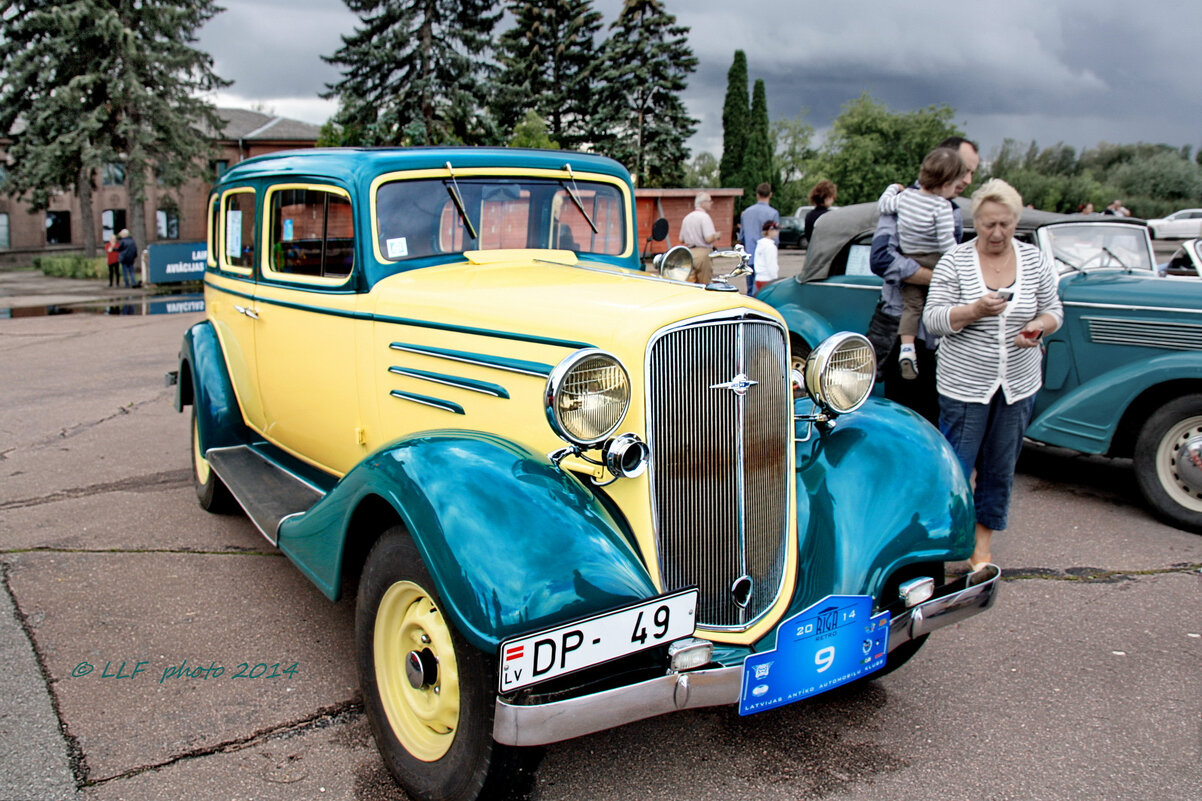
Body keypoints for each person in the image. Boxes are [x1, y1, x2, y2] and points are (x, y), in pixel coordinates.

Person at [921, 179, 1063, 571]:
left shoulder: (1034, 260)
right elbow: (933, 320)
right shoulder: (955, 261)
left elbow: (1054, 309)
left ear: (1015, 221)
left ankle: (981, 546)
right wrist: (974, 311)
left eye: (1005, 224)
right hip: (965, 382)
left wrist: (1039, 326)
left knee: (1000, 467)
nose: (997, 233)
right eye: (988, 225)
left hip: (1018, 383)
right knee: (957, 468)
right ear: (976, 222)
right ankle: (949, 540)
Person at [868, 136, 981, 424]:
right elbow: (882, 258)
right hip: (900, 323)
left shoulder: (951, 209)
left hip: (939, 325)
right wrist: (941, 278)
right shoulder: (904, 202)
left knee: (936, 411)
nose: (968, 179)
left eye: (972, 173)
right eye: (965, 170)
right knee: (901, 412)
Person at [877, 148, 968, 379]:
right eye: (963, 175)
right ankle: (929, 349)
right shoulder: (943, 207)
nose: (967, 180)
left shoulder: (904, 198)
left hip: (911, 256)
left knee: (913, 306)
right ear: (946, 181)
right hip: (897, 314)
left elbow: (884, 203)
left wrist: (891, 188)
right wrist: (952, 273)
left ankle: (910, 351)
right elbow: (881, 259)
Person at [739, 183, 778, 295]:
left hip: (750, 256)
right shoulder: (773, 213)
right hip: (765, 258)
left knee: (750, 290)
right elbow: (776, 239)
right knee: (764, 292)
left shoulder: (746, 213)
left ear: (757, 195)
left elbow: (741, 236)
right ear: (770, 195)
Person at [680, 192, 720, 283]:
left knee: (690, 281)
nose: (711, 203)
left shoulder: (687, 218)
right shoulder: (705, 217)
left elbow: (681, 239)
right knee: (704, 282)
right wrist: (717, 235)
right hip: (703, 252)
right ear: (702, 203)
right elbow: (708, 238)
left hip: (689, 253)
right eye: (709, 201)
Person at [753, 220, 780, 293]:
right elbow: (771, 265)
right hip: (768, 279)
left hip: (759, 278)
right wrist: (775, 279)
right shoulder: (770, 247)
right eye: (776, 229)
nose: (777, 232)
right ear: (770, 230)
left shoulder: (760, 244)